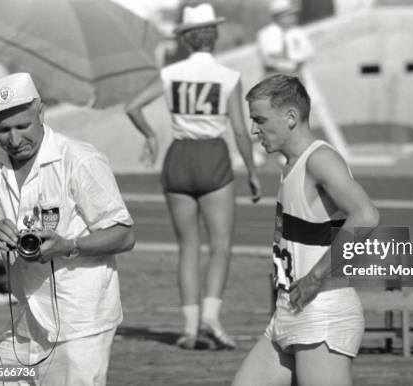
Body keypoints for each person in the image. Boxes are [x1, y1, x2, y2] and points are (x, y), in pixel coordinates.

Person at [0, 73, 135, 385]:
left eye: (22, 126)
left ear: (41, 113)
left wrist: (69, 246)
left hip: (82, 324)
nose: (14, 139)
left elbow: (125, 234)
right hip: (28, 322)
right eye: (3, 130)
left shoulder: (79, 159)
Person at [125, 3, 261, 350]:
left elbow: (131, 106)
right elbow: (241, 132)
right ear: (213, 36)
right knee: (220, 245)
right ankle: (211, 319)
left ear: (186, 39)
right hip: (212, 155)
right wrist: (253, 172)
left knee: (187, 247)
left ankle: (188, 327)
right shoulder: (228, 76)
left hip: (179, 156)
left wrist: (151, 136)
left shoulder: (171, 73)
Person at [232, 75, 379, 386]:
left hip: (323, 311)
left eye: (260, 120)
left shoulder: (320, 159)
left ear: (290, 117)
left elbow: (365, 216)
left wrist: (314, 278)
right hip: (290, 311)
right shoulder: (292, 165)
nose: (254, 130)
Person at [256, 0, 314, 77]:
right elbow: (266, 58)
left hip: (297, 73)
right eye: (288, 15)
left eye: (293, 14)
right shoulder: (265, 34)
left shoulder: (298, 32)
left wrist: (297, 61)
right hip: (274, 75)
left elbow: (309, 52)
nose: (293, 18)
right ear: (279, 16)